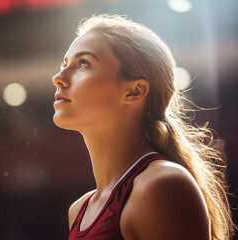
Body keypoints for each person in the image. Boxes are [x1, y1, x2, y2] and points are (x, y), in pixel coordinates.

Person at [51, 14, 235, 240]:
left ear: (134, 91)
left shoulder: (161, 185)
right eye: (64, 64)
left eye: (83, 63)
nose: (58, 77)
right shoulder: (79, 210)